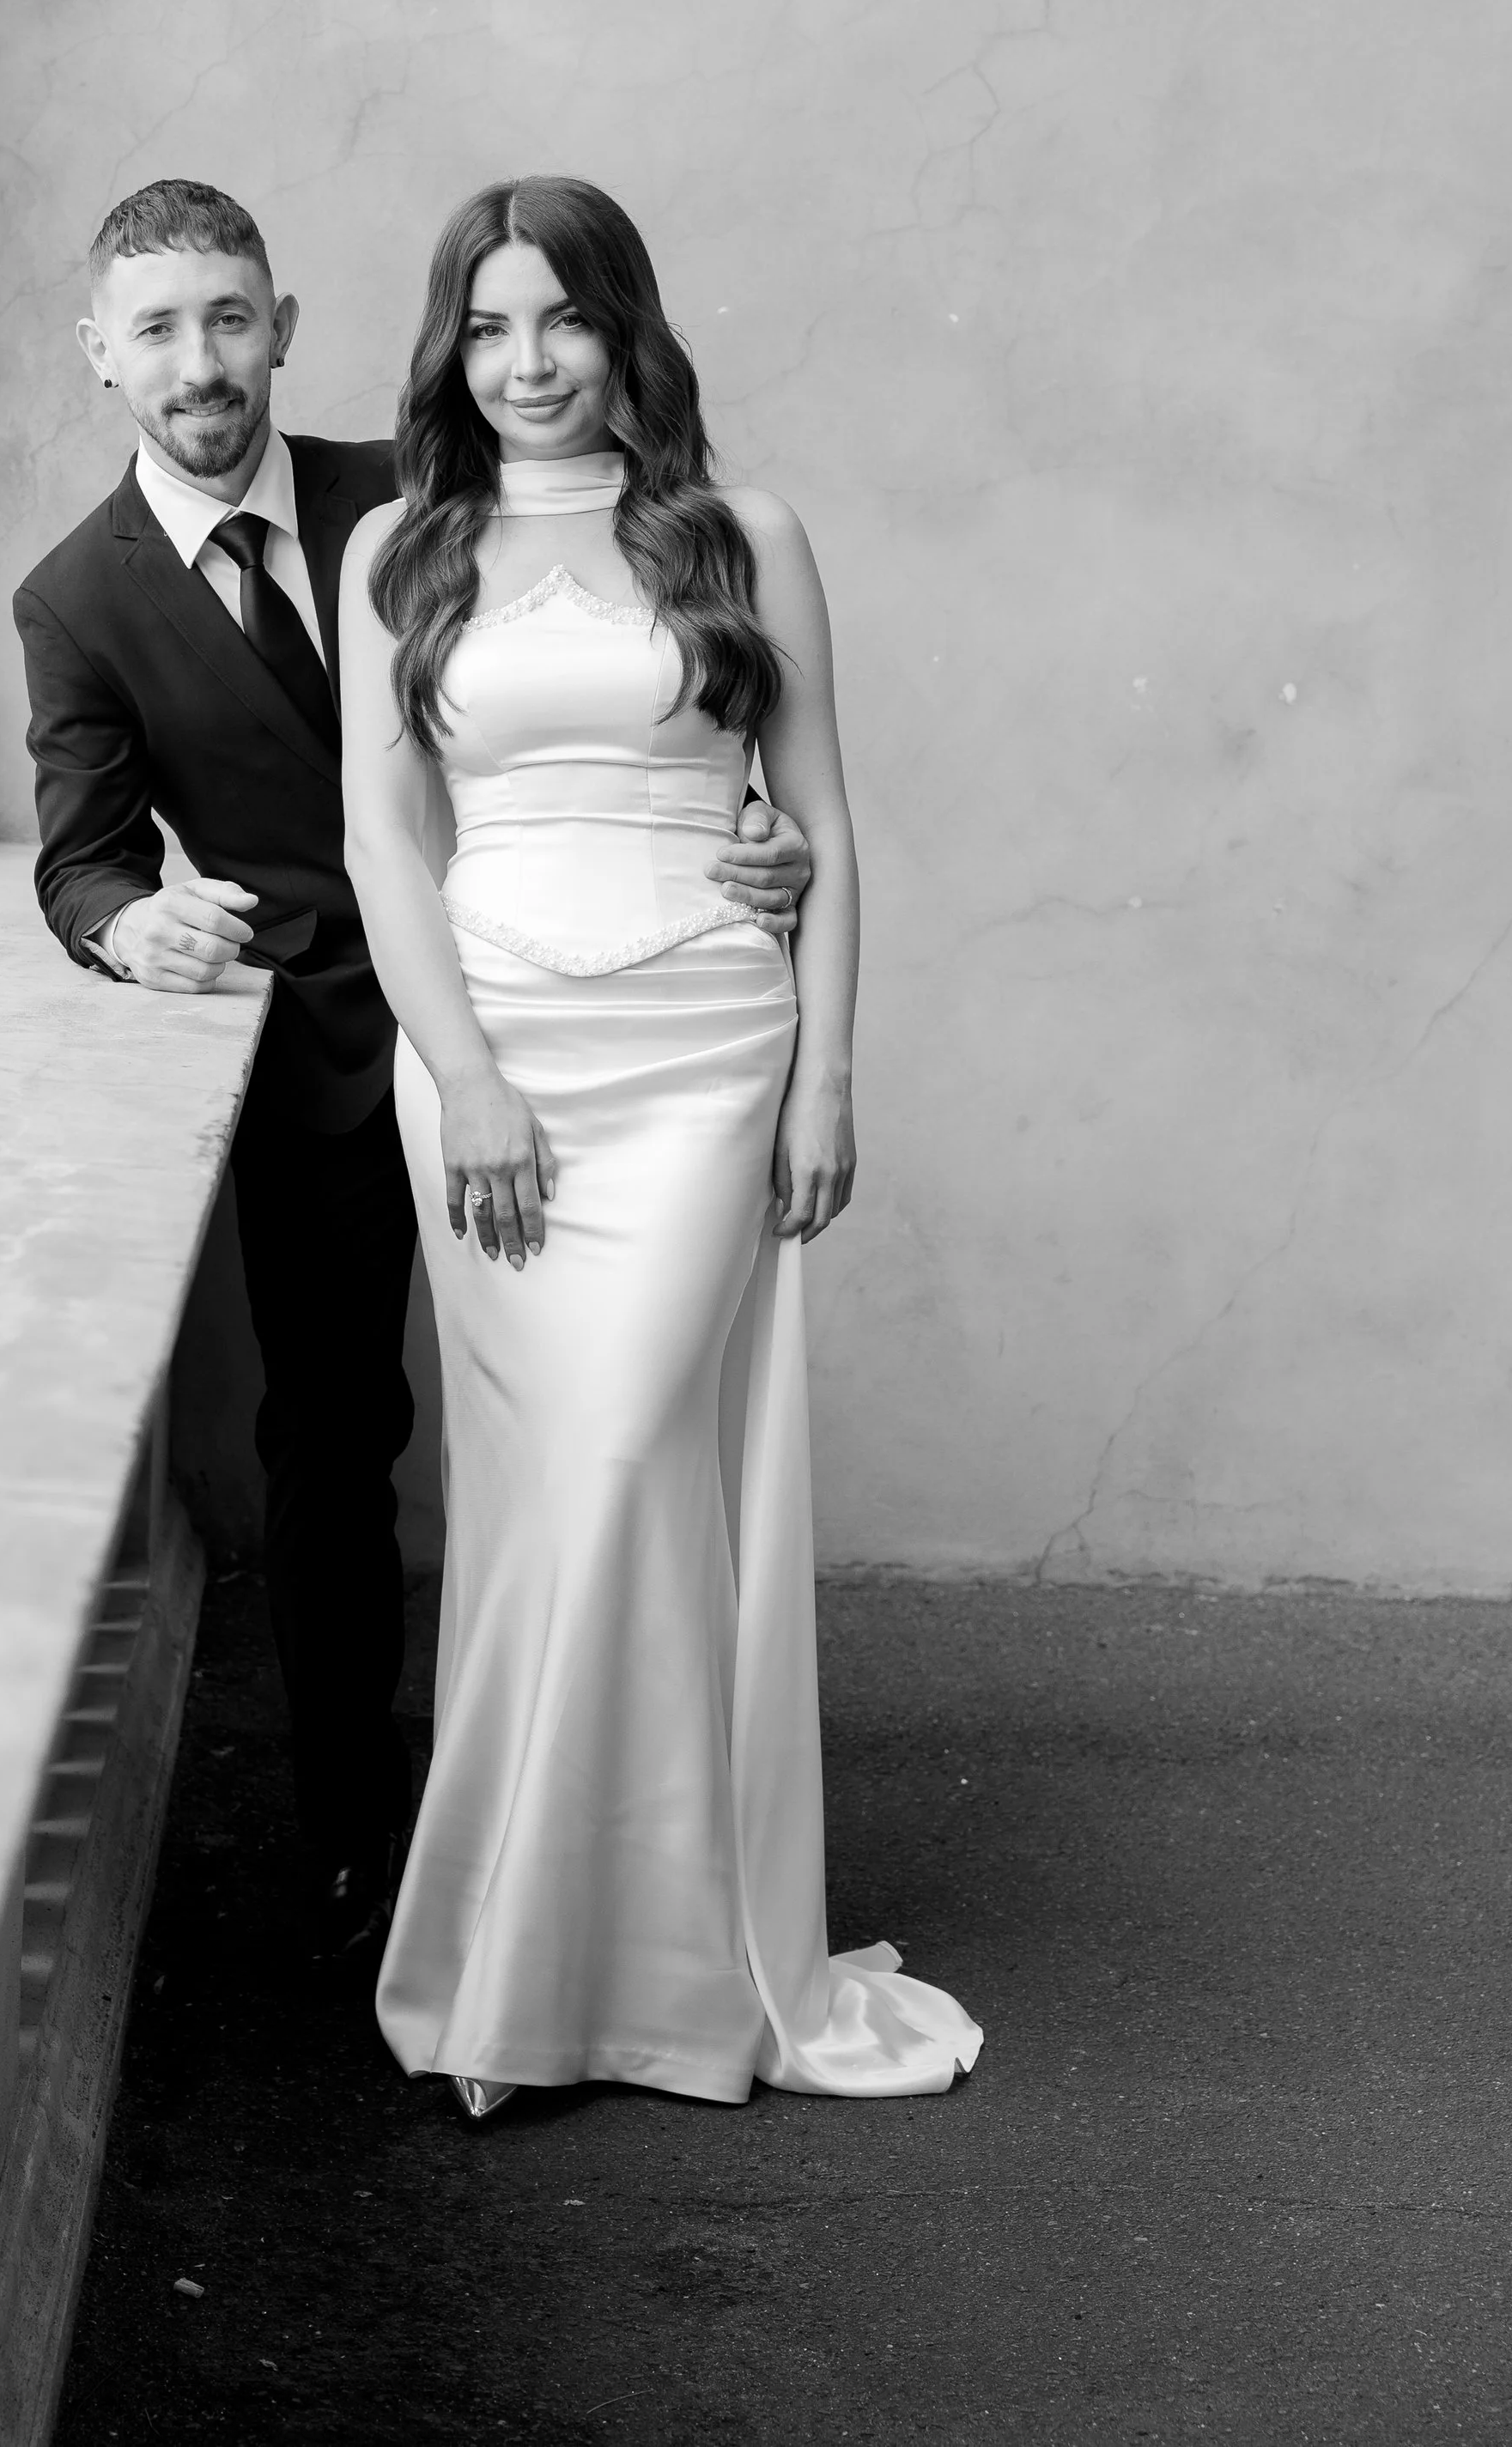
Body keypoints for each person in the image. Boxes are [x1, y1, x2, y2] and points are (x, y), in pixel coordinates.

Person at [12, 178, 815, 1966]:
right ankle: (370, 1838)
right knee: (333, 1432)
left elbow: (652, 680)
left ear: (283, 325)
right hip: (318, 1052)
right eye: (155, 327)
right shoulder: (75, 598)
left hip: (571, 1020)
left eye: (229, 317)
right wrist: (123, 923)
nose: (198, 360)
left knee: (587, 1439)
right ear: (100, 356)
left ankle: (615, 1849)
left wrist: (751, 823)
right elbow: (76, 849)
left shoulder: (421, 490)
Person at [339, 176, 983, 2108]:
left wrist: (829, 1077)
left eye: (561, 319)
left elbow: (826, 825)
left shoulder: (738, 534)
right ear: (452, 350)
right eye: (486, 327)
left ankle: (645, 1964)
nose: (526, 363)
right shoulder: (395, 542)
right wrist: (457, 1072)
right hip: (492, 1053)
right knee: (543, 1496)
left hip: (706, 1047)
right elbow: (389, 838)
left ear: (627, 331)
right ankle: (521, 1968)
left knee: (631, 1462)